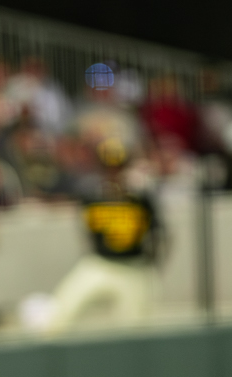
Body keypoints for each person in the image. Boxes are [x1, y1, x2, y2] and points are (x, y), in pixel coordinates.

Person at [44, 140, 162, 334]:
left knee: (135, 331)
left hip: (133, 267)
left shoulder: (140, 198)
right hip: (99, 263)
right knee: (57, 317)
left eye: (118, 167)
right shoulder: (92, 196)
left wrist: (152, 266)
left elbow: (159, 233)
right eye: (109, 167)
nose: (114, 173)